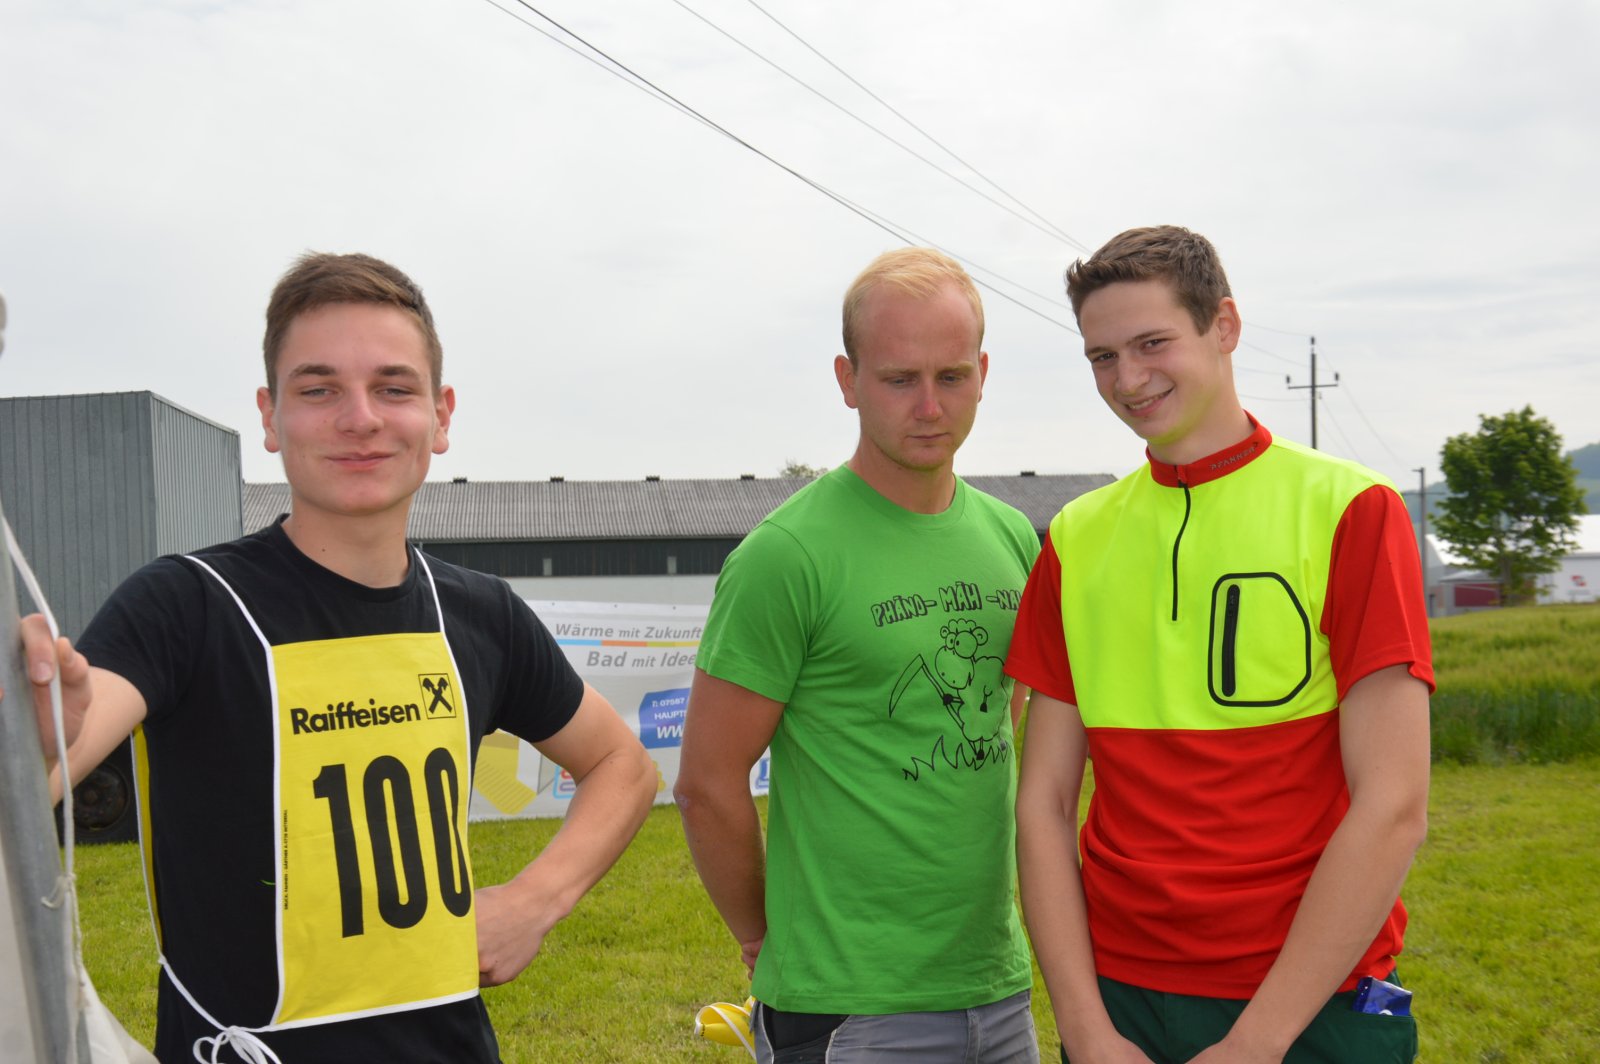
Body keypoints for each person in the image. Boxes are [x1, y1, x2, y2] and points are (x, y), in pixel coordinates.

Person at [20, 252, 655, 1063]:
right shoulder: (187, 603)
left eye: (393, 388)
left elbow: (622, 766)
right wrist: (34, 735)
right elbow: (42, 767)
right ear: (270, 416)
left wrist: (535, 900)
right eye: (318, 390)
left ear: (441, 416)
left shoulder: (481, 613)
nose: (360, 418)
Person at [1009, 226, 1433, 1064]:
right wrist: (1085, 1030)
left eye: (1152, 343)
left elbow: (1393, 805)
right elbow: (1043, 804)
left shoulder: (1352, 510)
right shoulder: (1076, 539)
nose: (1128, 379)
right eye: (1102, 357)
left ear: (1225, 326)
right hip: (1120, 1006)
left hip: (1310, 1005)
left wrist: (1257, 1042)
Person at [675, 247, 1041, 1063]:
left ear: (983, 374)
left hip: (997, 987)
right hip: (847, 1006)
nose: (929, 406)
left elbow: (999, 725)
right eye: (899, 378)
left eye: (951, 376)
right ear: (848, 380)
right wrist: (762, 937)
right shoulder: (787, 555)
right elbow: (706, 782)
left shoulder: (1012, 538)